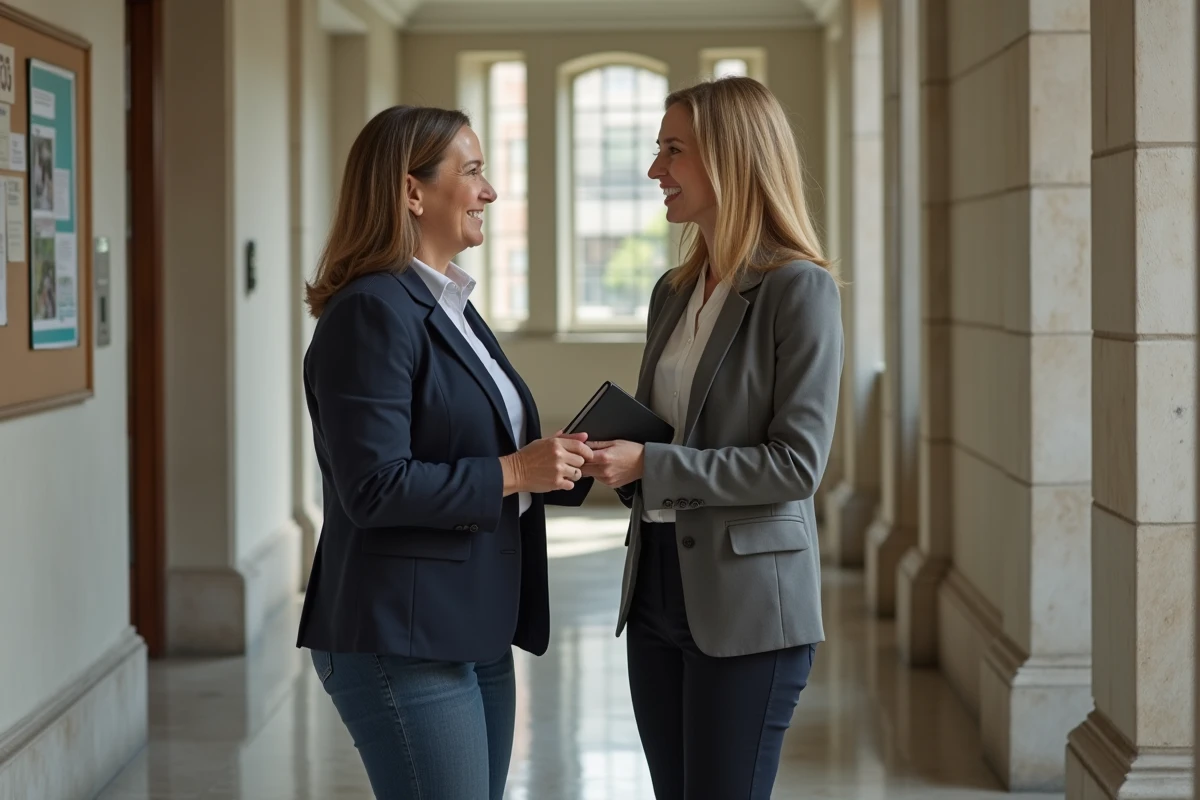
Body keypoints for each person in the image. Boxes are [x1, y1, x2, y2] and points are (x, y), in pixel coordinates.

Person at [298, 105, 594, 800]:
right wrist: (516, 470)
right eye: (473, 171)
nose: (489, 191)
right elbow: (373, 487)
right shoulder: (371, 311)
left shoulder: (448, 304)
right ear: (411, 192)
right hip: (400, 637)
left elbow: (480, 445)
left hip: (470, 624)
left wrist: (563, 462)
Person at [581, 77, 844, 799]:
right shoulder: (671, 290)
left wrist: (654, 464)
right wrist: (618, 456)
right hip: (655, 589)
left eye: (673, 151)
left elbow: (796, 465)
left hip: (749, 606)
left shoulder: (800, 291)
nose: (654, 170)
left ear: (730, 158)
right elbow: (675, 431)